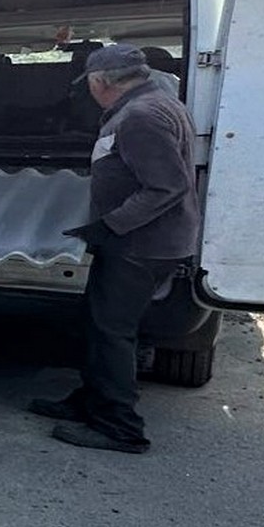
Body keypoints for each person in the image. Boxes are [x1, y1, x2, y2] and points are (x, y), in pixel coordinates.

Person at [30, 43, 200, 453]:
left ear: (100, 81)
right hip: (142, 241)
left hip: (142, 244)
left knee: (113, 332)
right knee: (98, 321)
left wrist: (111, 225)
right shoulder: (152, 102)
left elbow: (168, 186)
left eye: (88, 83)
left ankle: (119, 426)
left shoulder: (141, 117)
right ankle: (91, 401)